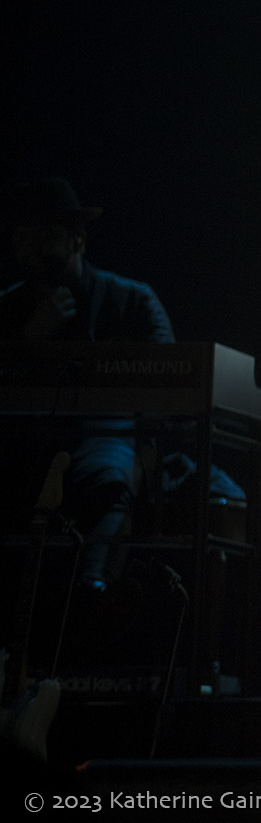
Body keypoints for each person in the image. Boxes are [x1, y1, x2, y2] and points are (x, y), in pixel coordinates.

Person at [0, 177, 174, 589]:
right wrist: (29, 342)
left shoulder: (131, 300)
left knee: (109, 464)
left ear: (78, 240)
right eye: (21, 237)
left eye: (43, 235)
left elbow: (170, 391)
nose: (29, 246)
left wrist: (142, 456)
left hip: (109, 447)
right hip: (26, 449)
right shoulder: (8, 308)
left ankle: (94, 588)